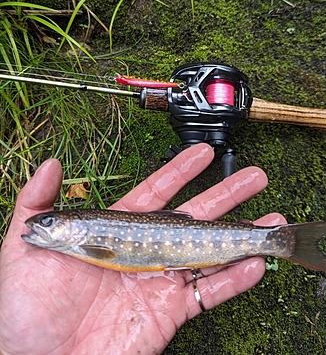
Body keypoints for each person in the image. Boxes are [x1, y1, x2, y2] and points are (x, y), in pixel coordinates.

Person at [0, 143, 286, 355]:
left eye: (48, 222)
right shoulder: (81, 244)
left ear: (76, 225)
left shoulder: (88, 244)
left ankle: (274, 240)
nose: (39, 226)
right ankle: (271, 240)